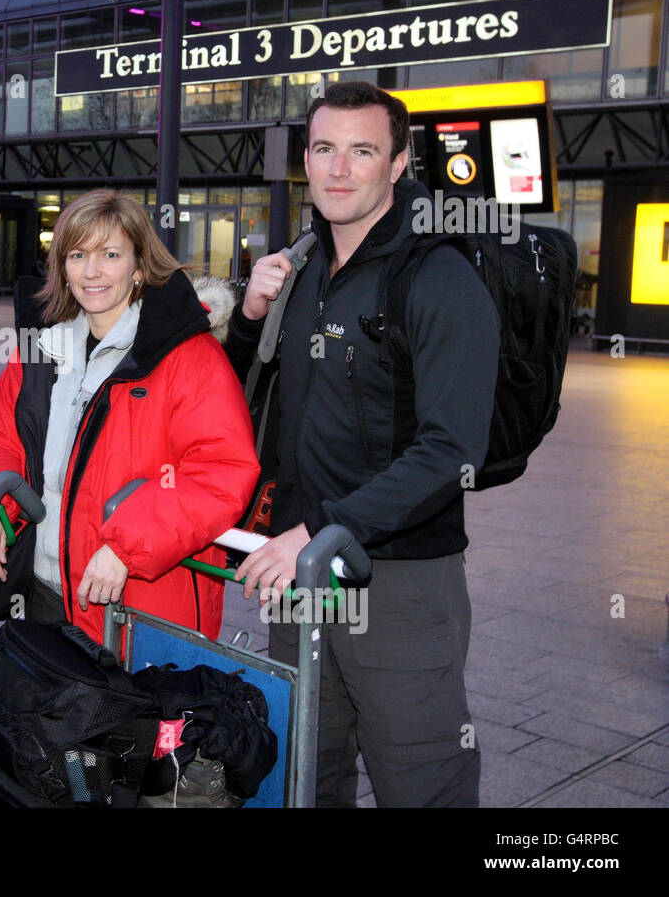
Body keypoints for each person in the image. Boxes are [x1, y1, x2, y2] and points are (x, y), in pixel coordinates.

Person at [224, 81, 499, 807]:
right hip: (300, 569)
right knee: (307, 771)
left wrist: (320, 529)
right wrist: (252, 318)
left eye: (362, 150)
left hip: (397, 578)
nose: (339, 169)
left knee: (420, 780)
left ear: (399, 162)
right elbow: (245, 401)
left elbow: (451, 451)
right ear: (305, 161)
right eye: (324, 149)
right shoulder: (306, 265)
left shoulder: (438, 275)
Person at [0, 189, 260, 643]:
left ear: (138, 266)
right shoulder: (42, 347)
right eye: (77, 255)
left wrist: (128, 545)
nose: (91, 272)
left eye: (109, 255)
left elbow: (221, 469)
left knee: (124, 712)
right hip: (41, 591)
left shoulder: (188, 355)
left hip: (136, 600)